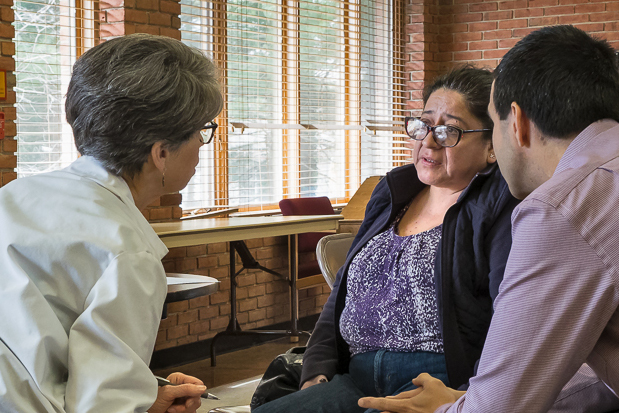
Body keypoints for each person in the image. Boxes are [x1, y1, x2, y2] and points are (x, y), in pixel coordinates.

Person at [359, 25, 619, 413]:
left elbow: (501, 410)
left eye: (493, 125)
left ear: (517, 123)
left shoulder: (566, 206)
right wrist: (471, 399)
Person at [253, 66, 519, 413]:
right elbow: (342, 295)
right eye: (423, 125)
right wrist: (316, 371)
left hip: (434, 383)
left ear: (492, 147)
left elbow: (512, 318)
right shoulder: (393, 191)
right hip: (353, 377)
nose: (427, 141)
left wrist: (469, 396)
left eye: (448, 131)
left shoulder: (499, 206)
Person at [0, 34, 223, 412]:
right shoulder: (127, 252)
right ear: (161, 152)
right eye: (203, 130)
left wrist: (139, 387)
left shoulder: (15, 195)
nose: (203, 144)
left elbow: (34, 336)